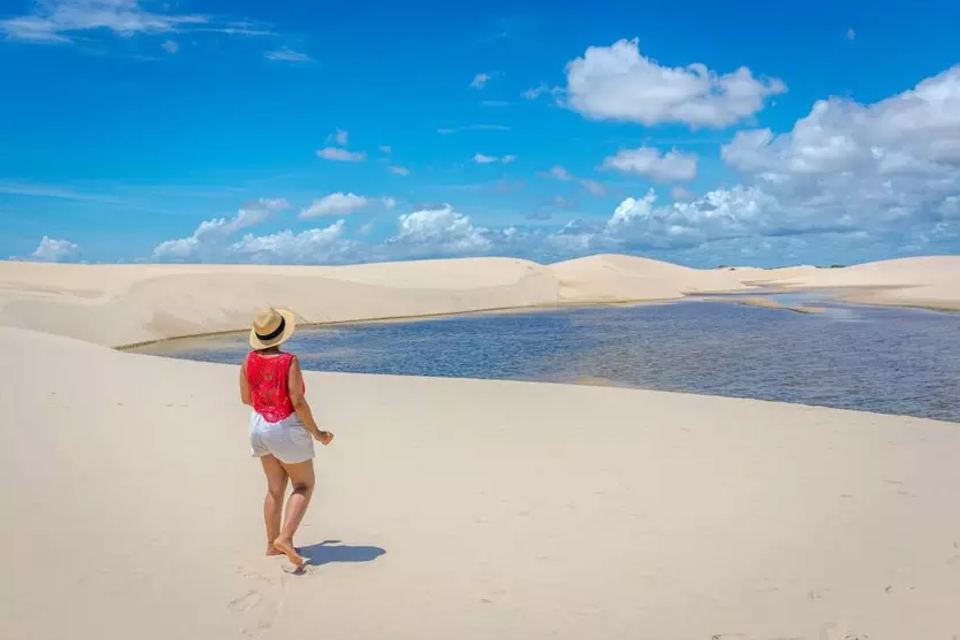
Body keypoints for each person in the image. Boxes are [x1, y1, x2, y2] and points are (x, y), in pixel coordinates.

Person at [239, 307, 334, 570]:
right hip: (285, 426)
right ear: (281, 334)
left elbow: (246, 398)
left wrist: (266, 402)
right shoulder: (288, 361)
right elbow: (298, 401)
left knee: (274, 488)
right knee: (304, 484)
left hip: (258, 425)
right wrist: (317, 433)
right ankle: (285, 538)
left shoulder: (248, 361)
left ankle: (272, 545)